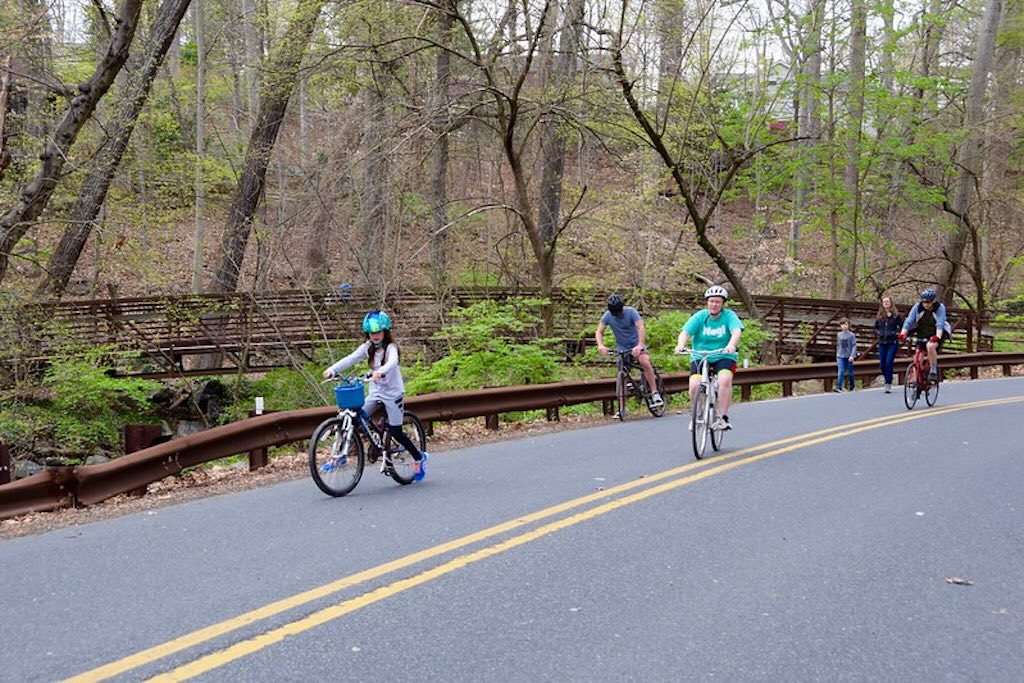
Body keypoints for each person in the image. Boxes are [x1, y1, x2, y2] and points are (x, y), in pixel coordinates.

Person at [322, 310, 429, 481]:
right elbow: (351, 358)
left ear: (385, 332)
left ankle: (419, 457)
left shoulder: (391, 348)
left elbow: (393, 363)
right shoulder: (367, 347)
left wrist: (380, 371)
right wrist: (333, 369)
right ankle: (340, 456)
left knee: (396, 432)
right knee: (353, 417)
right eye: (372, 333)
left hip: (393, 393)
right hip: (376, 392)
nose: (375, 336)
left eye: (378, 332)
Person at [674, 285, 744, 430]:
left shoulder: (729, 316)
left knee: (725, 380)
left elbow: (736, 331)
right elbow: (685, 332)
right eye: (711, 301)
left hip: (723, 355)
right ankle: (697, 413)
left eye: (717, 302)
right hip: (700, 355)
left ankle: (723, 417)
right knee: (694, 385)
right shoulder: (700, 316)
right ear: (707, 302)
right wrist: (680, 345)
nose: (714, 304)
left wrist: (731, 345)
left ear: (722, 303)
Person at [596, 293, 663, 408]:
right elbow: (599, 331)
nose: (618, 315)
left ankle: (654, 392)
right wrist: (601, 345)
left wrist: (640, 345)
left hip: (636, 345)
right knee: (621, 371)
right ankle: (622, 407)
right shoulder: (607, 316)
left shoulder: (631, 312)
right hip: (622, 347)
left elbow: (641, 327)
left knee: (644, 362)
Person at [899, 288, 950, 383]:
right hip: (922, 334)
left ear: (933, 301)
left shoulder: (939, 308)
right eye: (924, 302)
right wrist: (903, 333)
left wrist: (937, 336)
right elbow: (909, 320)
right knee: (917, 357)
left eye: (929, 302)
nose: (926, 304)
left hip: (936, 334)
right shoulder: (918, 307)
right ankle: (916, 378)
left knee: (930, 346)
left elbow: (940, 323)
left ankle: (933, 370)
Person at [874, 295, 903, 393]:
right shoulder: (879, 316)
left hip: (892, 342)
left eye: (887, 301)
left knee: (888, 362)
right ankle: (886, 377)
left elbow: (902, 326)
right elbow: (875, 328)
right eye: (884, 302)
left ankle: (888, 383)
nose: (886, 303)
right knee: (882, 364)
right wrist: (879, 333)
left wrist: (896, 333)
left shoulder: (896, 315)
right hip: (882, 342)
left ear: (891, 303)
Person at [834, 317, 857, 392]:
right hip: (840, 355)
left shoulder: (851, 335)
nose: (844, 326)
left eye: (846, 324)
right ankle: (839, 386)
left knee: (850, 372)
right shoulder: (839, 335)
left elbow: (854, 345)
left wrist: (852, 355)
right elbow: (838, 345)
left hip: (848, 356)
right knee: (841, 371)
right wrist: (837, 354)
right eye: (842, 325)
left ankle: (852, 386)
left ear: (848, 325)